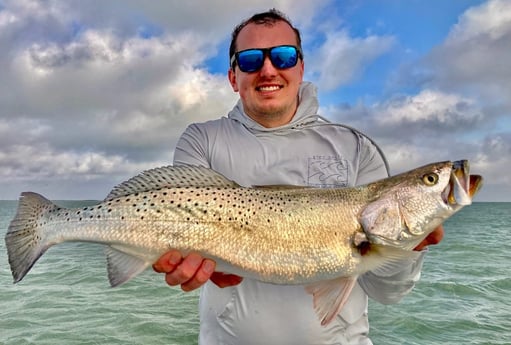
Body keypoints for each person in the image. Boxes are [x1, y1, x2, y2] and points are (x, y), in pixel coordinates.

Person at [153, 9, 444, 345]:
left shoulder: (356, 147)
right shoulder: (202, 139)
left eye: (283, 56)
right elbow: (175, 230)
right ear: (233, 77)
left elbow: (387, 292)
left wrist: (407, 246)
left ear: (301, 68)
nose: (267, 69)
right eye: (249, 60)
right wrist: (177, 257)